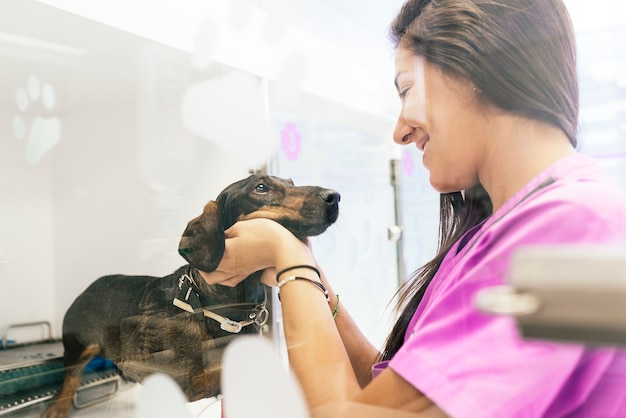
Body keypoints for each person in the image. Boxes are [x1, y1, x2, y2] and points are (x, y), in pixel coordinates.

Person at [199, 0, 626, 416]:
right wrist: (310, 276)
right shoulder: (494, 234)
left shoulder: (577, 230)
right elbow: (384, 392)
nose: (400, 131)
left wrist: (290, 263)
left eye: (407, 90)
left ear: (473, 65)